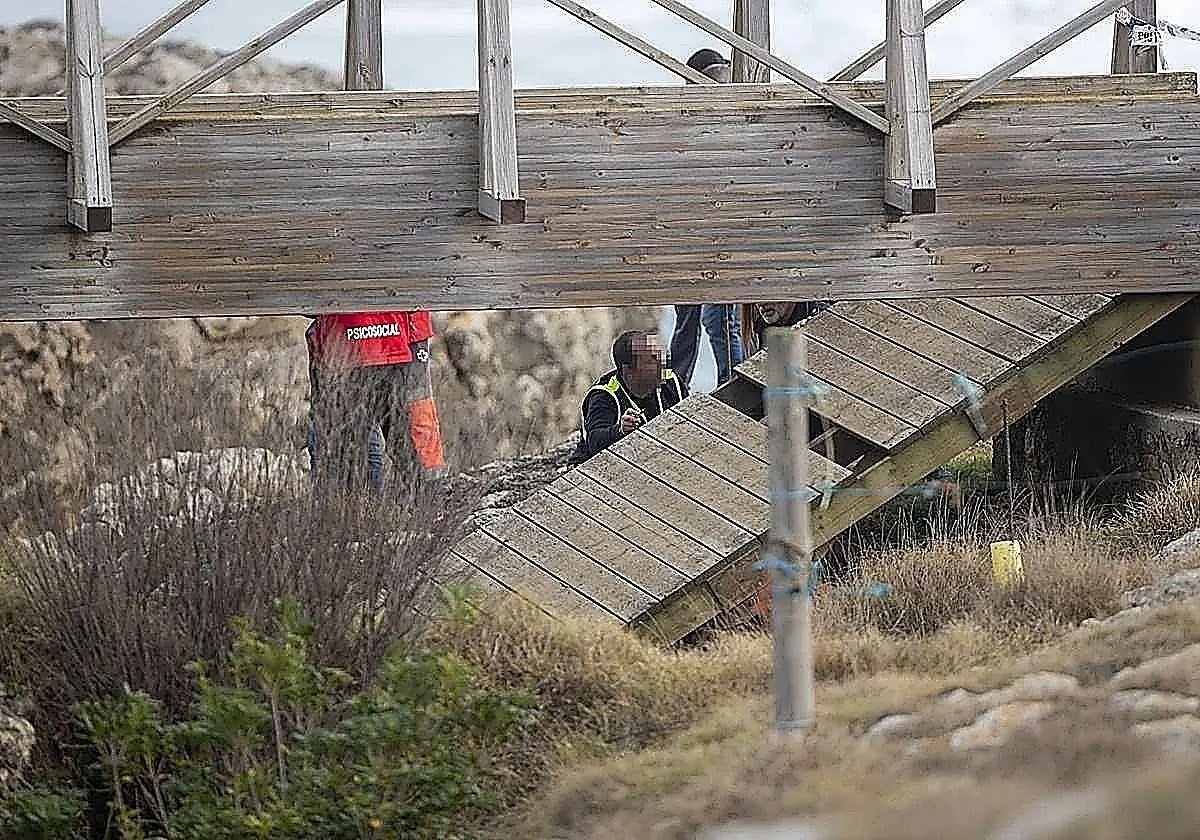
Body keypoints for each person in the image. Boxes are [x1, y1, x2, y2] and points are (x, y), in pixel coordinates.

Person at [306, 310, 447, 493]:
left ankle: (360, 504)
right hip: (402, 332)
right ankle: (429, 502)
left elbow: (304, 299)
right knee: (415, 441)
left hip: (344, 334)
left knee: (345, 451)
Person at [669, 48, 743, 389]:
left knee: (716, 318)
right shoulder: (694, 118)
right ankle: (681, 388)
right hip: (696, 230)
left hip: (716, 231)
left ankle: (729, 385)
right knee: (705, 318)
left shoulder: (717, 116)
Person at [569, 330, 687, 465]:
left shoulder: (672, 381)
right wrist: (620, 430)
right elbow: (594, 441)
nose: (661, 363)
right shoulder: (604, 395)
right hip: (597, 468)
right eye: (651, 361)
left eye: (659, 355)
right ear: (629, 370)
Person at [741, 300, 832, 357]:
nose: (761, 303)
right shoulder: (762, 327)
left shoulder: (821, 317)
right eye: (755, 297)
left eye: (769, 292)